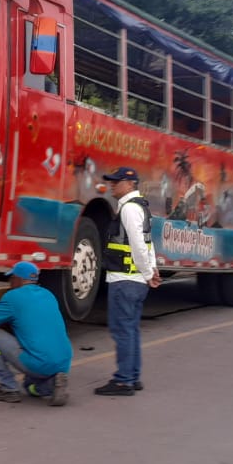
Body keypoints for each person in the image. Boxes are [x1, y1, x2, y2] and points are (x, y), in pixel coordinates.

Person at [95, 167, 160, 397]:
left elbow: (138, 245)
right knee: (130, 329)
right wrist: (151, 271)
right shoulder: (140, 207)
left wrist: (147, 272)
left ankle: (123, 381)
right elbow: (148, 242)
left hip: (125, 280)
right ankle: (133, 376)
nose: (112, 185)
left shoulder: (130, 209)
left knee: (122, 330)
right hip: (135, 281)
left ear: (130, 184)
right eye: (112, 181)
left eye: (117, 181)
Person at [0, 262, 72, 405]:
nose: (9, 282)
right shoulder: (48, 294)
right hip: (63, 362)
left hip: (38, 363)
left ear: (18, 279)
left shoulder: (12, 296)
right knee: (29, 387)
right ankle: (51, 383)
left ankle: (8, 388)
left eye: (11, 279)